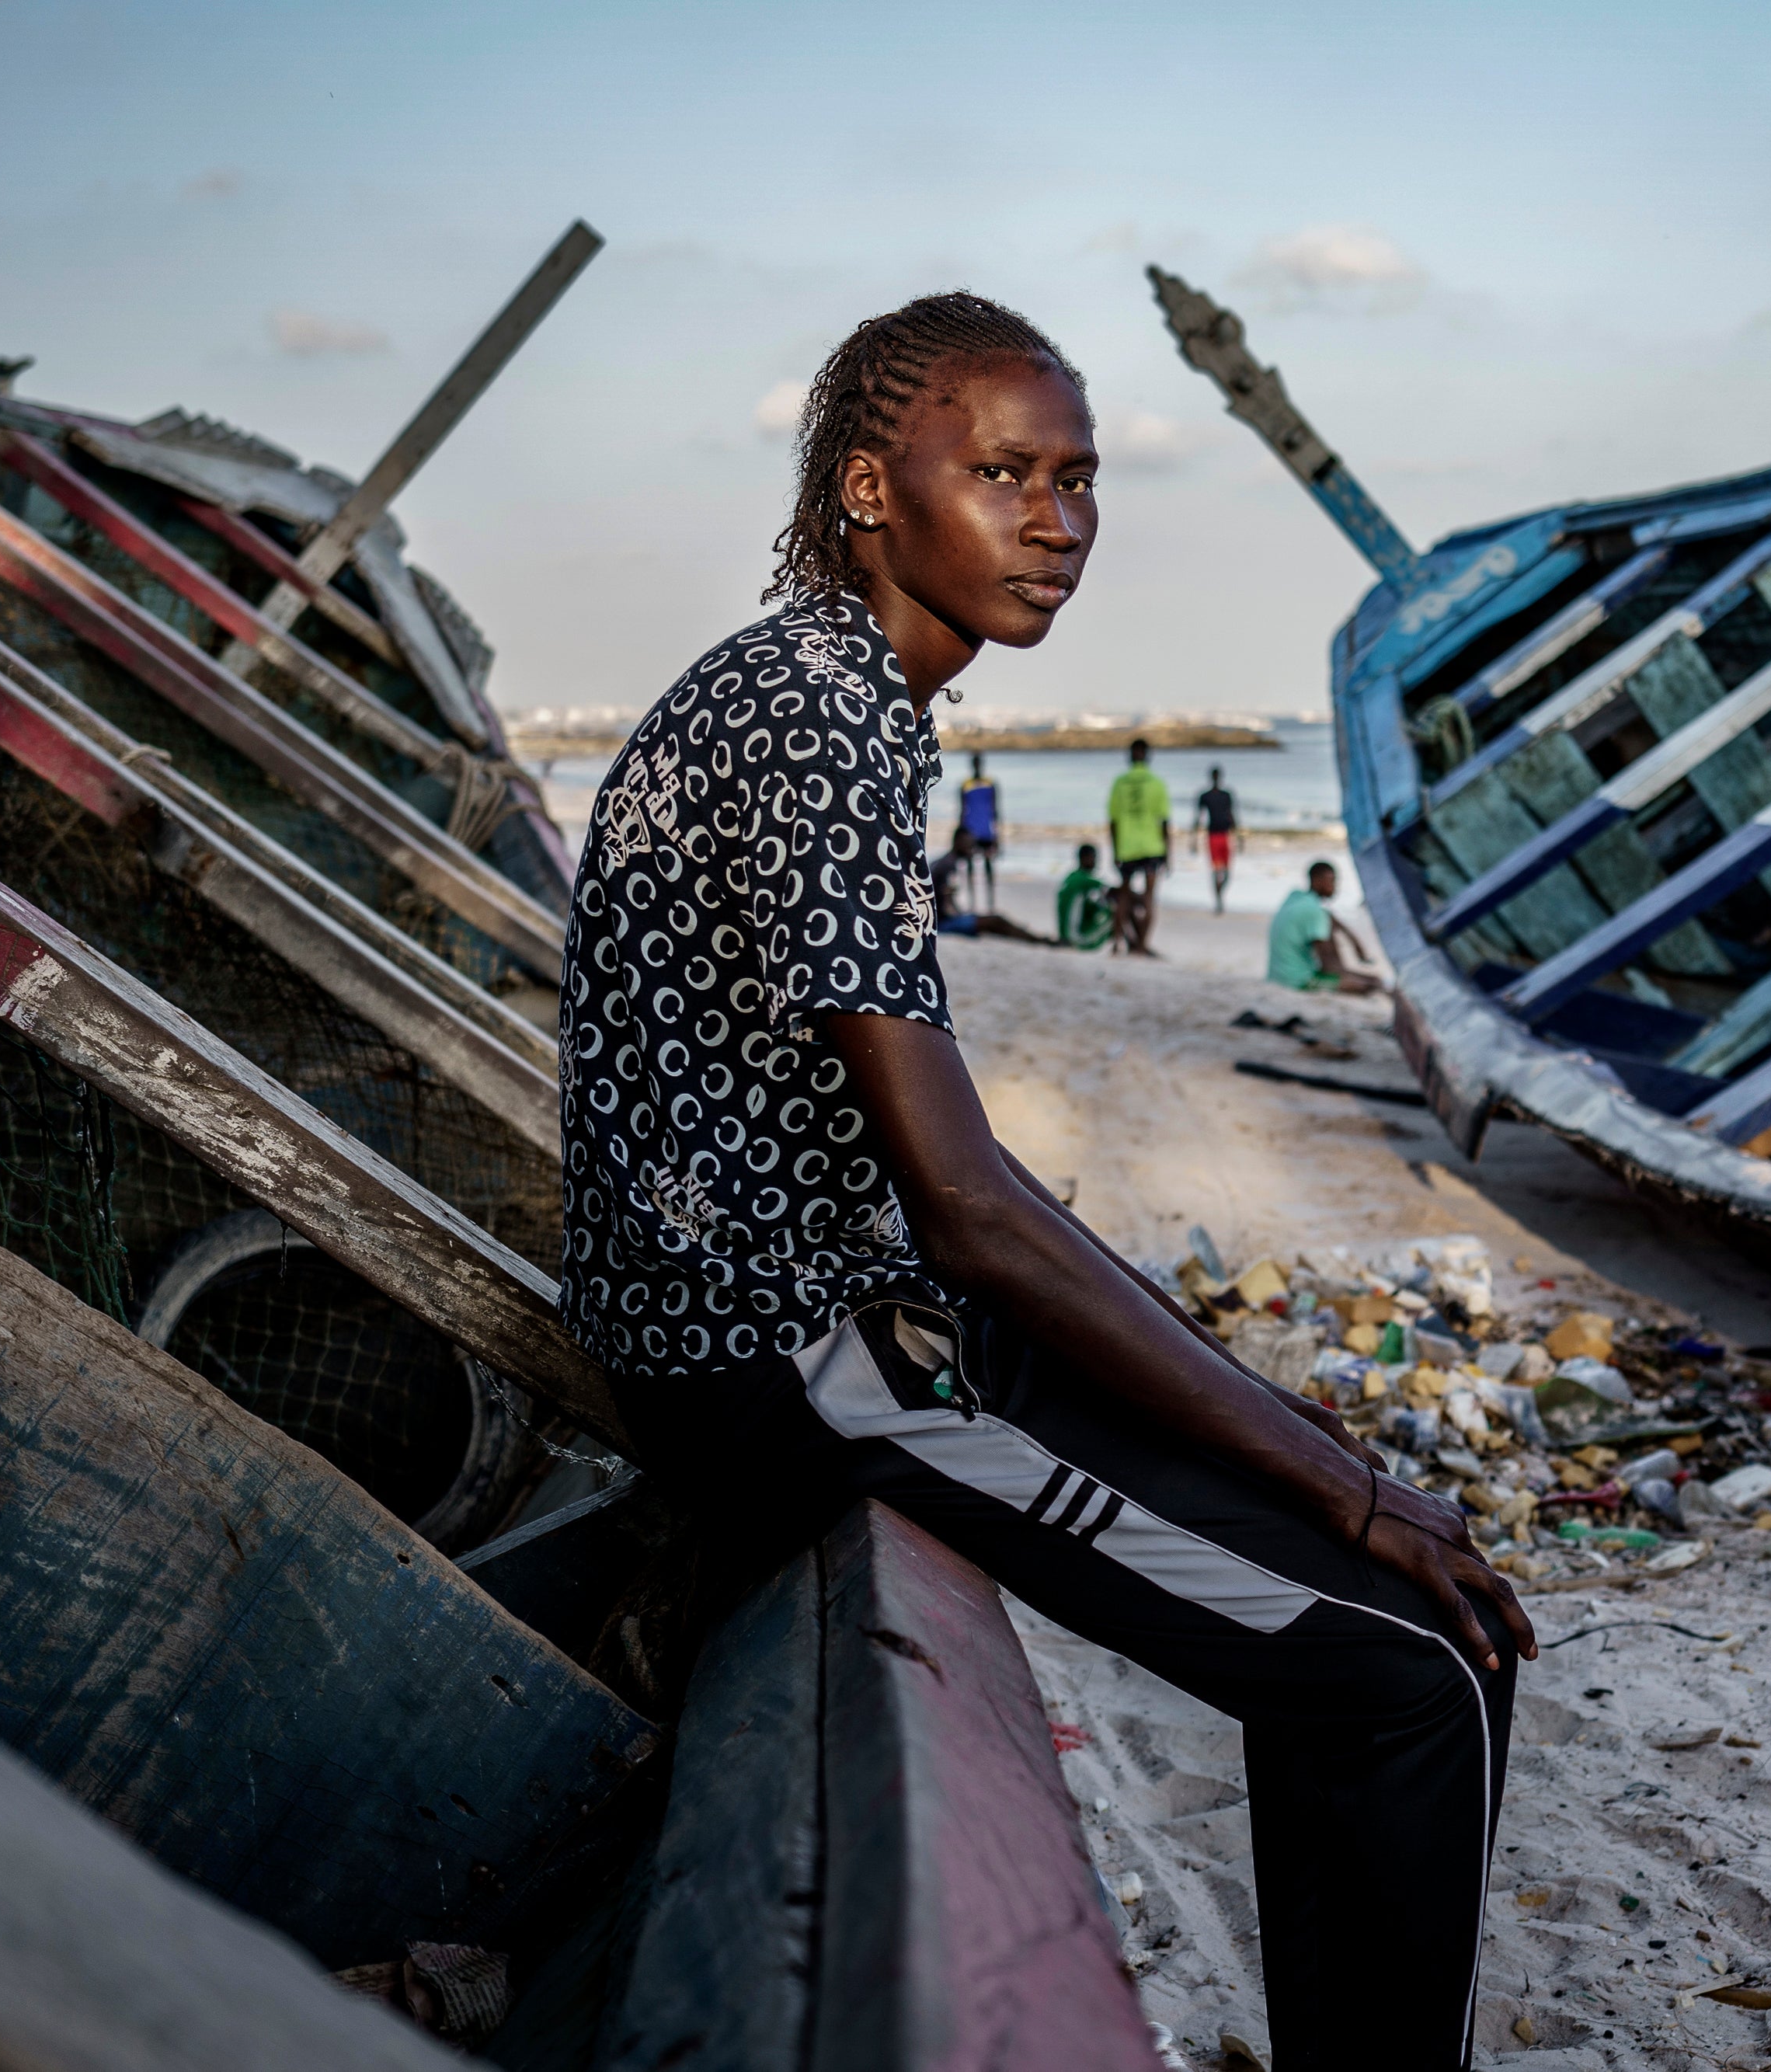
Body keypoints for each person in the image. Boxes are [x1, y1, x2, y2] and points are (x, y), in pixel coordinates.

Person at [558, 292, 1525, 2072]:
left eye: (1079, 480)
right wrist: (1339, 1474)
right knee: (1415, 1676)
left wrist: (1309, 1452)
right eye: (1005, 473)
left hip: (843, 1317)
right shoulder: (816, 719)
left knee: (1407, 1609)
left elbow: (966, 1193)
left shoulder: (824, 686)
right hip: (789, 1367)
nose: (1060, 520)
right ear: (868, 486)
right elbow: (966, 1206)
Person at [1268, 861, 1383, 995]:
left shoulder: (1297, 898)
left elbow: (1330, 918)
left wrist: (1355, 943)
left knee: (1369, 981)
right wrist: (1372, 980)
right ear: (1318, 881)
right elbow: (1331, 967)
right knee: (1369, 985)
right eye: (1332, 881)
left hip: (1275, 977)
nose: (1335, 887)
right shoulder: (1315, 912)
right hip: (1296, 981)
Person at [1106, 737, 1170, 956]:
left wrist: (1114, 850)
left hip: (1127, 846)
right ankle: (1141, 945)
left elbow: (1113, 822)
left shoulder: (1119, 783)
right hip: (1152, 846)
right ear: (1148, 756)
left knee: (1123, 898)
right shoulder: (1156, 782)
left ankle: (1117, 944)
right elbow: (1164, 822)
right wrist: (1168, 854)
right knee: (1149, 897)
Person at [934, 824, 1050, 942]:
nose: (972, 848)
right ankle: (1035, 939)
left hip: (938, 920)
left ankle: (1031, 937)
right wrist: (963, 916)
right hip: (943, 924)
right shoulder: (948, 866)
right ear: (958, 842)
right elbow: (947, 903)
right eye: (969, 844)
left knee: (995, 920)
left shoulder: (945, 862)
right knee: (996, 921)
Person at [1190, 763, 1240, 914]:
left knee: (1227, 873)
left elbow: (1232, 816)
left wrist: (1239, 837)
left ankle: (1219, 895)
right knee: (1216, 870)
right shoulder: (1205, 796)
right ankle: (1218, 901)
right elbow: (1199, 818)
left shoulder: (1227, 796)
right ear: (1212, 777)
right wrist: (1193, 840)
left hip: (1225, 835)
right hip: (1212, 836)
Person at [956, 750, 1002, 911]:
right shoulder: (965, 785)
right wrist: (960, 833)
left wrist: (997, 835)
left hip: (986, 831)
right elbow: (961, 810)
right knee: (970, 867)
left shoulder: (990, 784)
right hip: (970, 830)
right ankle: (972, 902)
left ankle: (990, 903)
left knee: (988, 866)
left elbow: (996, 810)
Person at [1054, 840, 1115, 951]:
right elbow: (1117, 892)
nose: (1096, 861)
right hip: (1075, 938)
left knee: (1100, 907)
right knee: (1117, 910)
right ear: (1085, 858)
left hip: (1065, 934)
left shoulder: (1071, 877)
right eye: (1094, 858)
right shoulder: (1086, 880)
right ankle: (1131, 945)